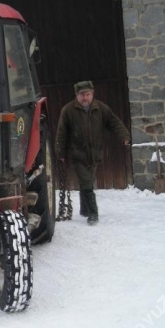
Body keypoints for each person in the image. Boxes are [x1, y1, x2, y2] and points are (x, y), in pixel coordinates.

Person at [56, 81, 130, 225]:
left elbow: (113, 122)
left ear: (92, 94)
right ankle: (93, 213)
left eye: (88, 94)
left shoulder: (100, 108)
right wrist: (60, 152)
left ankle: (84, 209)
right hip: (77, 153)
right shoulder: (68, 111)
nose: (85, 98)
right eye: (82, 95)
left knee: (87, 181)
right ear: (77, 95)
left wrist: (124, 136)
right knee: (87, 182)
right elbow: (61, 133)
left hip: (95, 153)